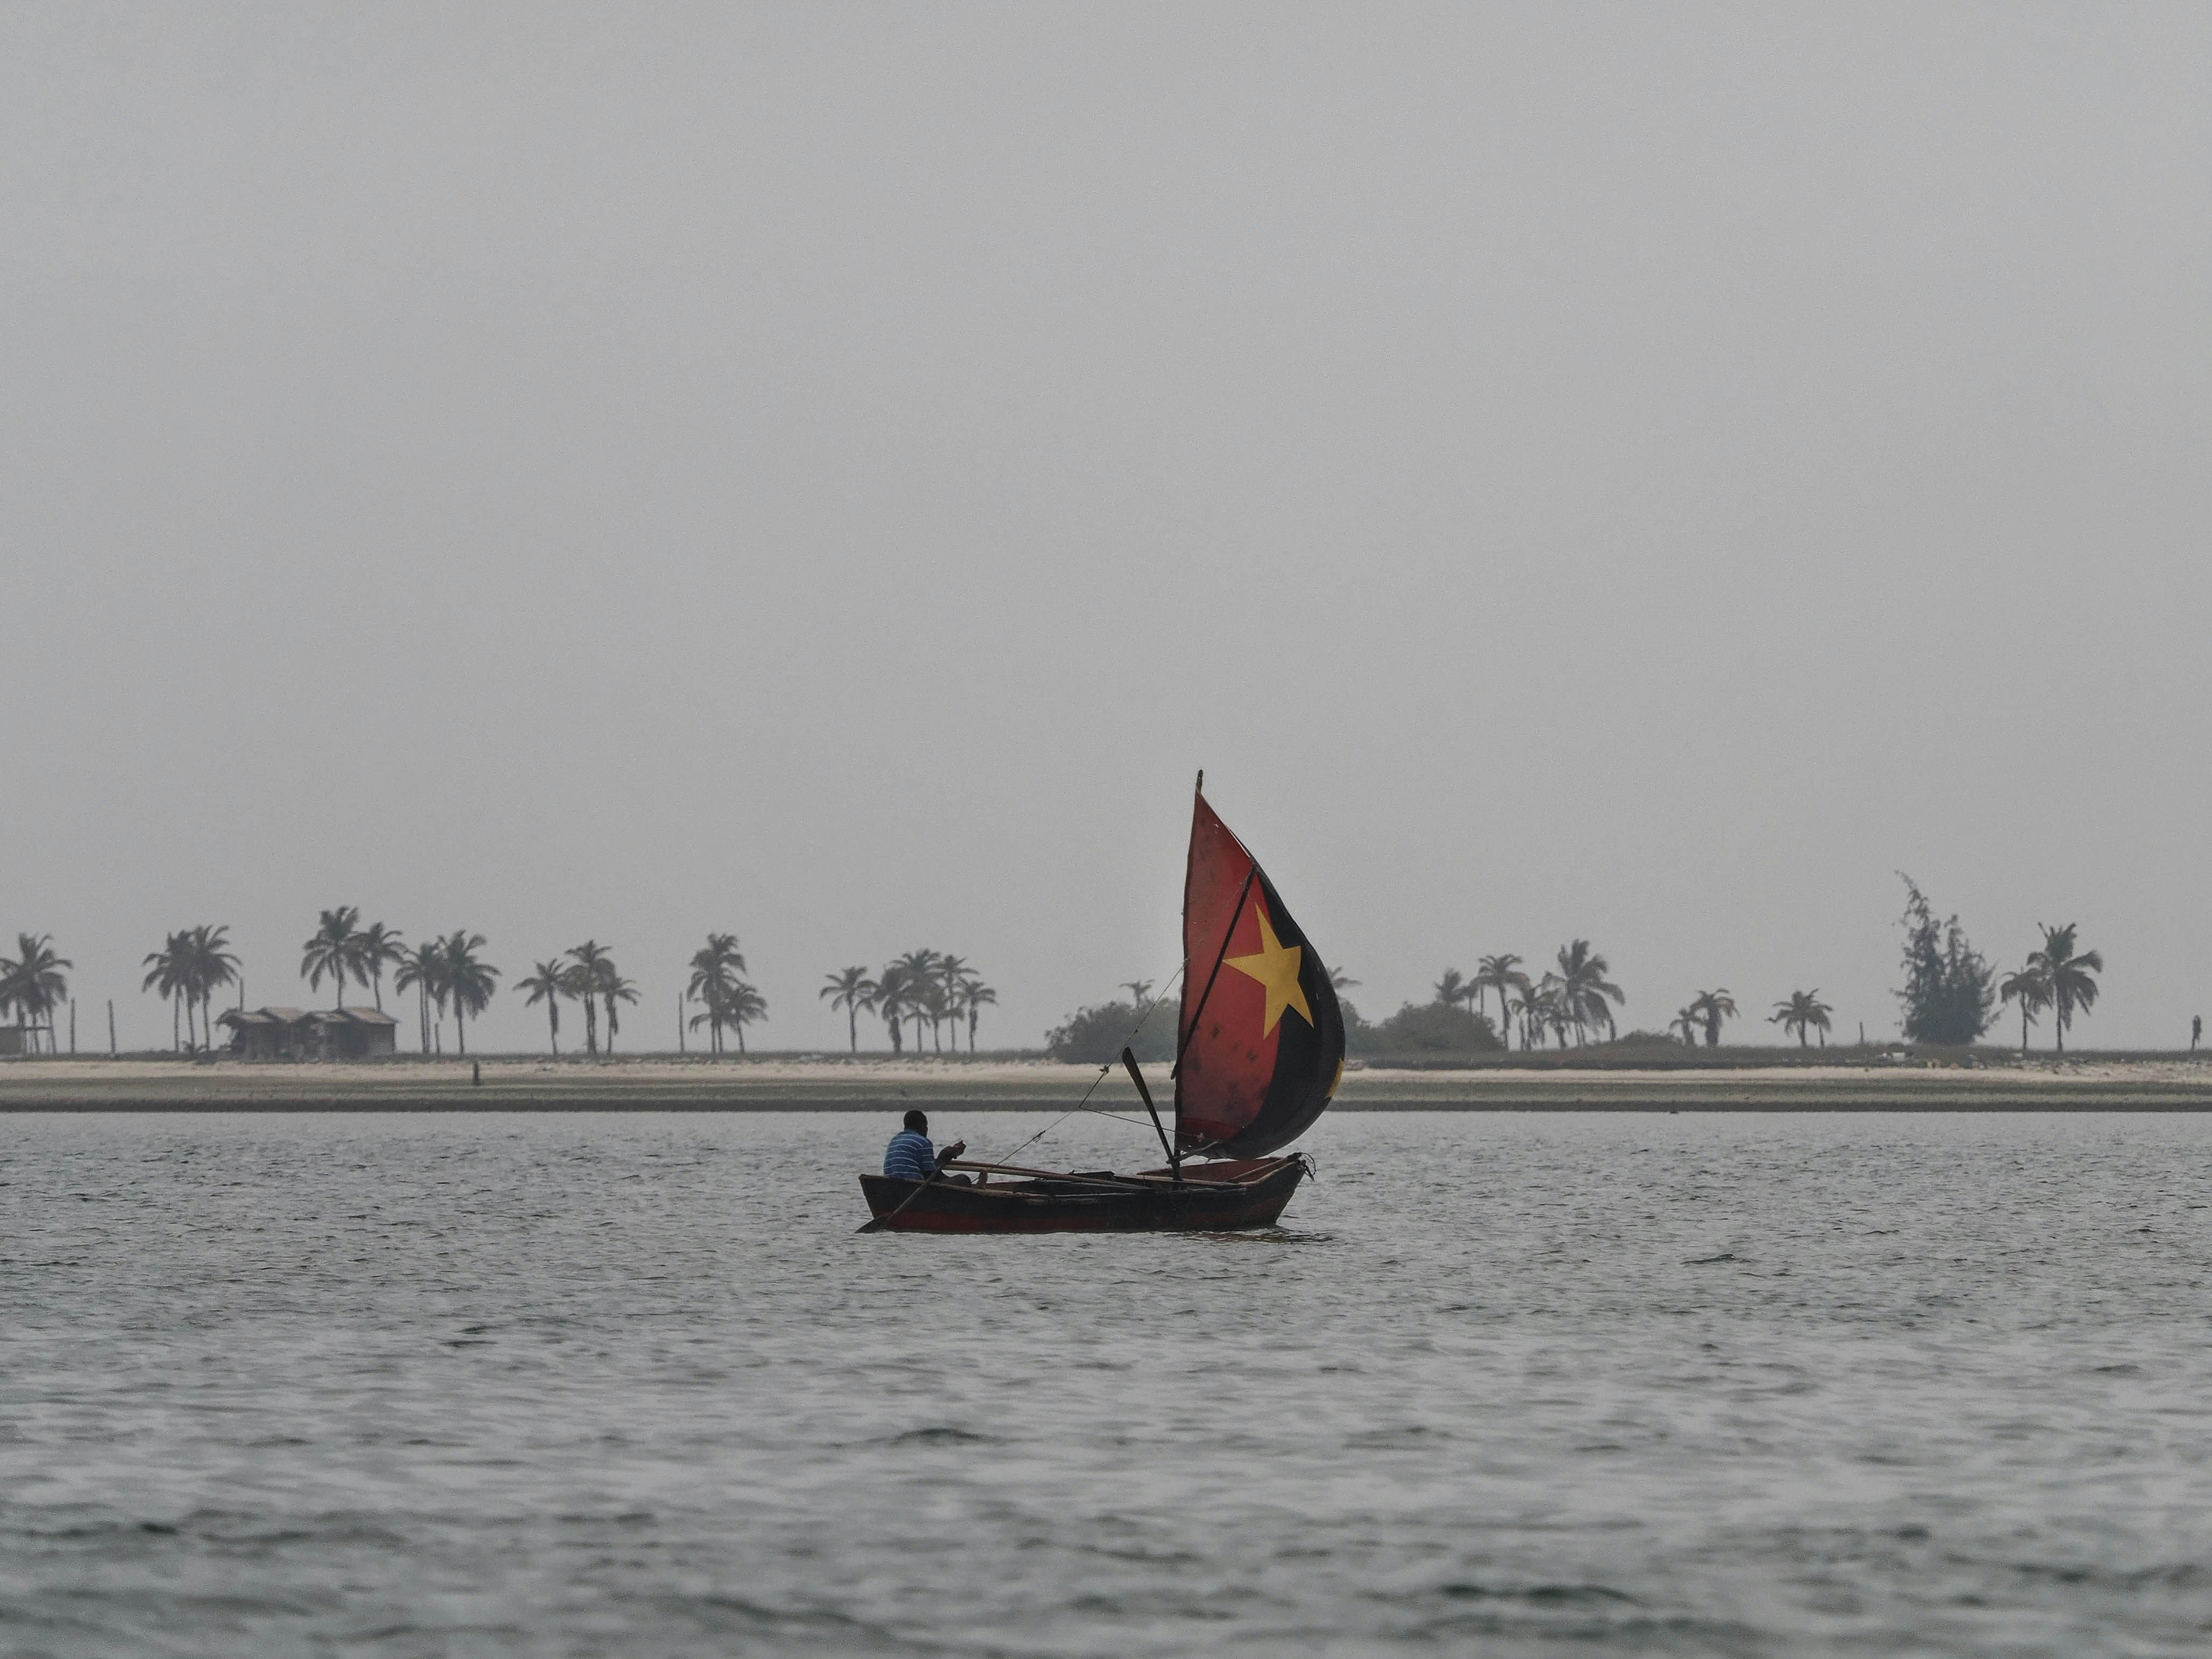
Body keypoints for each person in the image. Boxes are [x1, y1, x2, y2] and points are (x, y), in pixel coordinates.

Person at [884, 1109, 968, 1184]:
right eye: (926, 1126)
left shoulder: (895, 1140)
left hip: (890, 1185)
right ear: (921, 1126)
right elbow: (931, 1176)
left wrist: (946, 1155)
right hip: (911, 1185)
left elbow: (926, 1169)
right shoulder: (923, 1142)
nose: (927, 1129)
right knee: (963, 1179)